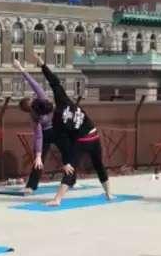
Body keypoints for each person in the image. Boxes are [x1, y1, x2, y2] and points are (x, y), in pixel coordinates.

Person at [34, 54, 112, 207]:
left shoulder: (57, 123)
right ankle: (109, 193)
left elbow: (64, 143)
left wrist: (67, 162)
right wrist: (42, 65)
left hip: (82, 141)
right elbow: (54, 83)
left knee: (70, 170)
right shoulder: (63, 101)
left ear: (44, 115)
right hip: (94, 134)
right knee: (98, 164)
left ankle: (57, 199)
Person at [11, 58, 65, 195]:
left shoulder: (41, 97)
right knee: (38, 160)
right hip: (48, 133)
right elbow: (39, 136)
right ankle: (31, 185)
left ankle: (71, 178)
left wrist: (21, 69)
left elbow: (33, 83)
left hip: (58, 128)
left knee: (68, 154)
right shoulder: (35, 117)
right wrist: (38, 155)